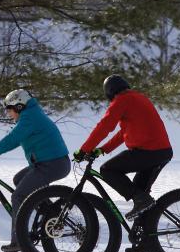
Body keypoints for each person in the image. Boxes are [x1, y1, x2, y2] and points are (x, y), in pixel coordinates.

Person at [0, 89, 70, 252]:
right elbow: (16, 138)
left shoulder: (29, 118)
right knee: (19, 180)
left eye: (10, 109)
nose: (9, 114)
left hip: (51, 164)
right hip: (49, 163)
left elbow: (13, 139)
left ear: (19, 106)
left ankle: (19, 240)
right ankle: (48, 212)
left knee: (18, 196)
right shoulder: (31, 114)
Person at [73, 75, 172, 221]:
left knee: (108, 170)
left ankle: (141, 201)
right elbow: (123, 133)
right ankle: (147, 240)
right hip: (162, 152)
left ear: (109, 92)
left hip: (147, 152)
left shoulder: (121, 100)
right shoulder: (139, 98)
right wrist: (103, 149)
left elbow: (104, 127)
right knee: (140, 196)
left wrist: (84, 150)